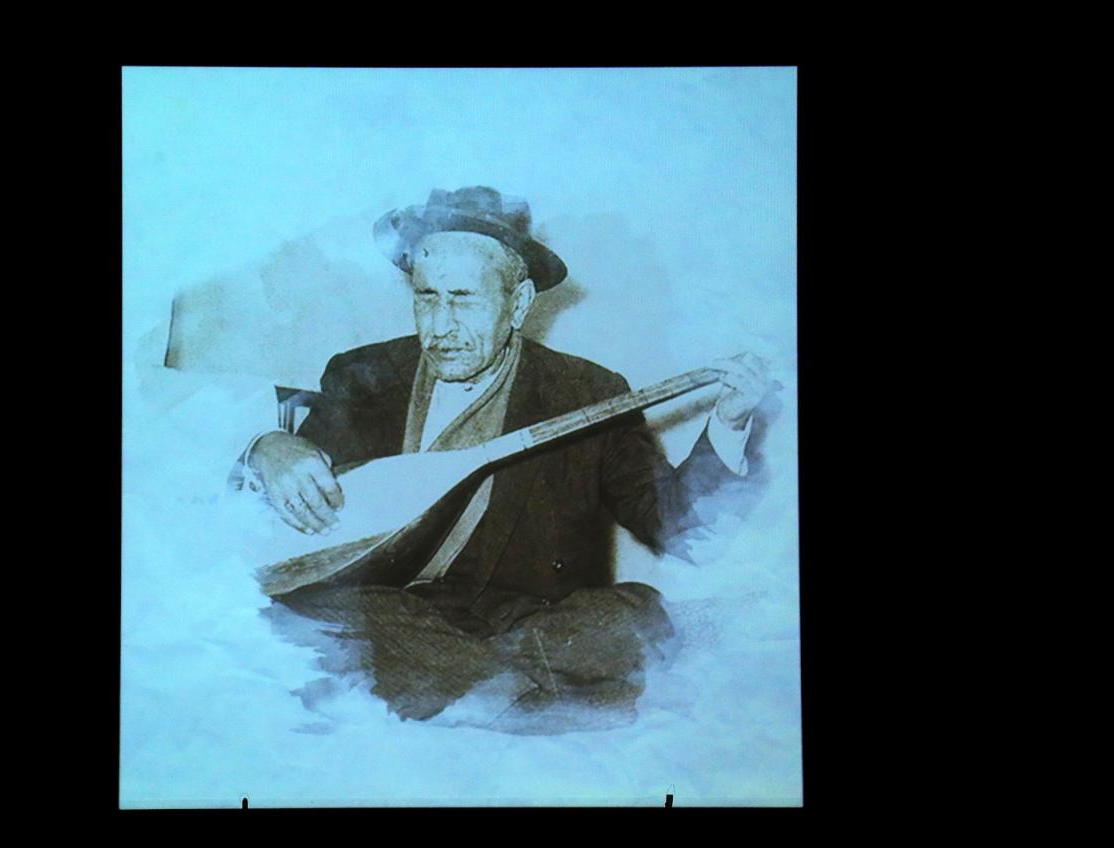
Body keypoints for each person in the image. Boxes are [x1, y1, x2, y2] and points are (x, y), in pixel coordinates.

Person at [236, 186, 771, 731]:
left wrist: (728, 425)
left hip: (523, 620)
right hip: (384, 614)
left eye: (464, 299)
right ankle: (507, 692)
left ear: (517, 304)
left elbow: (680, 532)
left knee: (624, 616)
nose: (440, 327)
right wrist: (267, 449)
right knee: (309, 615)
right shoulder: (360, 375)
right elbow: (282, 536)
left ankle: (466, 687)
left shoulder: (588, 392)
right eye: (427, 297)